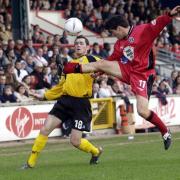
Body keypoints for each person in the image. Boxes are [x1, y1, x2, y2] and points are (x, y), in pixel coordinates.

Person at [63, 6, 180, 150]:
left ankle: (165, 132)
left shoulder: (142, 31)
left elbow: (158, 23)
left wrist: (170, 14)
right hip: (127, 70)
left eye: (113, 32)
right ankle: (66, 68)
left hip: (143, 74)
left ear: (119, 28)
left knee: (142, 111)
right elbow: (113, 59)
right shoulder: (119, 43)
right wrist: (100, 71)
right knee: (101, 63)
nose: (114, 36)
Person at [22, 35, 102, 169]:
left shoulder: (92, 59)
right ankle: (30, 163)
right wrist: (43, 96)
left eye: (82, 43)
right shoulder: (69, 65)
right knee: (45, 129)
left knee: (75, 141)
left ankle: (95, 152)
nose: (78, 45)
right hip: (65, 101)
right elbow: (60, 87)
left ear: (87, 47)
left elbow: (107, 66)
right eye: (76, 43)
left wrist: (98, 74)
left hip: (81, 104)